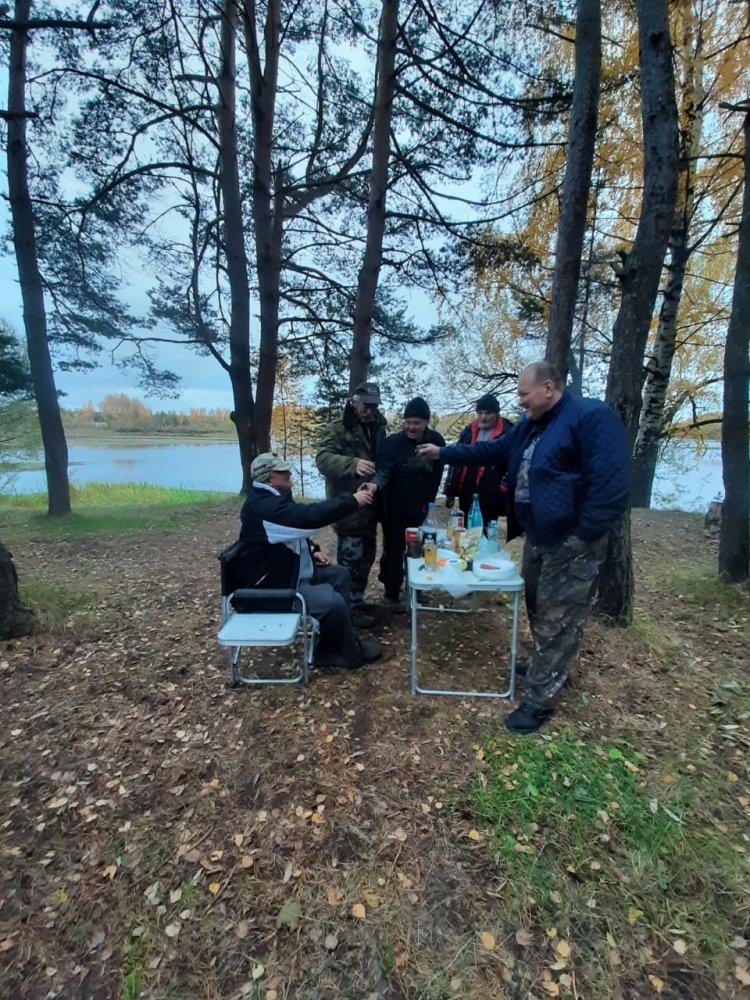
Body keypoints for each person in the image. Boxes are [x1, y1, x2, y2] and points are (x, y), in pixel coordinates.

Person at [417, 362, 630, 733]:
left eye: (523, 394)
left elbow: (611, 485)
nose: (519, 401)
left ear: (548, 388)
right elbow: (492, 451)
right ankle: (546, 665)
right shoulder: (532, 425)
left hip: (572, 541)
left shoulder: (591, 417)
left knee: (559, 618)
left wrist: (582, 535)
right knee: (537, 605)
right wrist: (443, 453)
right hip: (539, 536)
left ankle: (538, 702)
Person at [236, 453, 381, 670]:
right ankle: (347, 655)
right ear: (268, 478)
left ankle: (334, 643)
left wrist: (312, 551)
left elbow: (288, 533)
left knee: (340, 575)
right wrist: (351, 501)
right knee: (332, 602)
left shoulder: (274, 499)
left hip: (286, 571)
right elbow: (308, 518)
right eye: (282, 471)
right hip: (272, 589)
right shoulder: (263, 508)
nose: (289, 473)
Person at [315, 382, 388, 624]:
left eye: (374, 406)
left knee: (367, 558)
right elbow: (323, 459)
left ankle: (358, 600)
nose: (370, 410)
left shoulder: (379, 427)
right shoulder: (337, 429)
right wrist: (352, 465)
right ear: (354, 402)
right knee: (349, 562)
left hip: (371, 505)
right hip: (348, 507)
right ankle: (346, 611)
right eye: (366, 405)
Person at [368, 397, 445, 611]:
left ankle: (417, 590)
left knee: (420, 550)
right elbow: (383, 472)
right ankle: (391, 594)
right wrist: (374, 485)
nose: (411, 427)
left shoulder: (436, 441)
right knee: (393, 552)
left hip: (421, 509)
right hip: (394, 509)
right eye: (408, 422)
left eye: (416, 423)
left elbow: (439, 472)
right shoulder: (392, 443)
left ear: (426, 422)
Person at [444, 392, 514, 527]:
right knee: (464, 530)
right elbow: (455, 462)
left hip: (492, 494)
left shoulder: (507, 434)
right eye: (480, 413)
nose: (483, 417)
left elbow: (513, 467)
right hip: (466, 490)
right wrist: (449, 491)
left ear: (497, 414)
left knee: (486, 531)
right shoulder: (468, 432)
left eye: (488, 413)